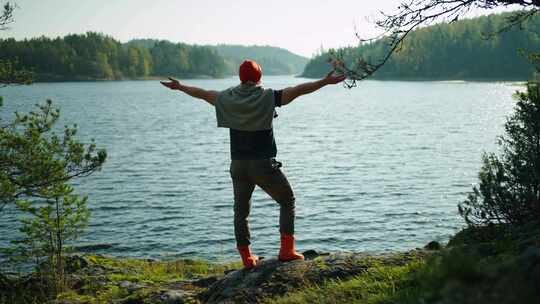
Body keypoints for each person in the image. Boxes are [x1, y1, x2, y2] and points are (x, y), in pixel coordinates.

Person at [160, 60, 346, 269]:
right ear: (259, 77)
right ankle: (286, 250)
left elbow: (203, 93)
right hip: (263, 165)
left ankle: (247, 258)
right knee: (287, 201)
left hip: (238, 165)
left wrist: (180, 86)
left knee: (240, 212)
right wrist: (325, 81)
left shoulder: (226, 98)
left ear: (240, 77)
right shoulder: (268, 97)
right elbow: (299, 90)